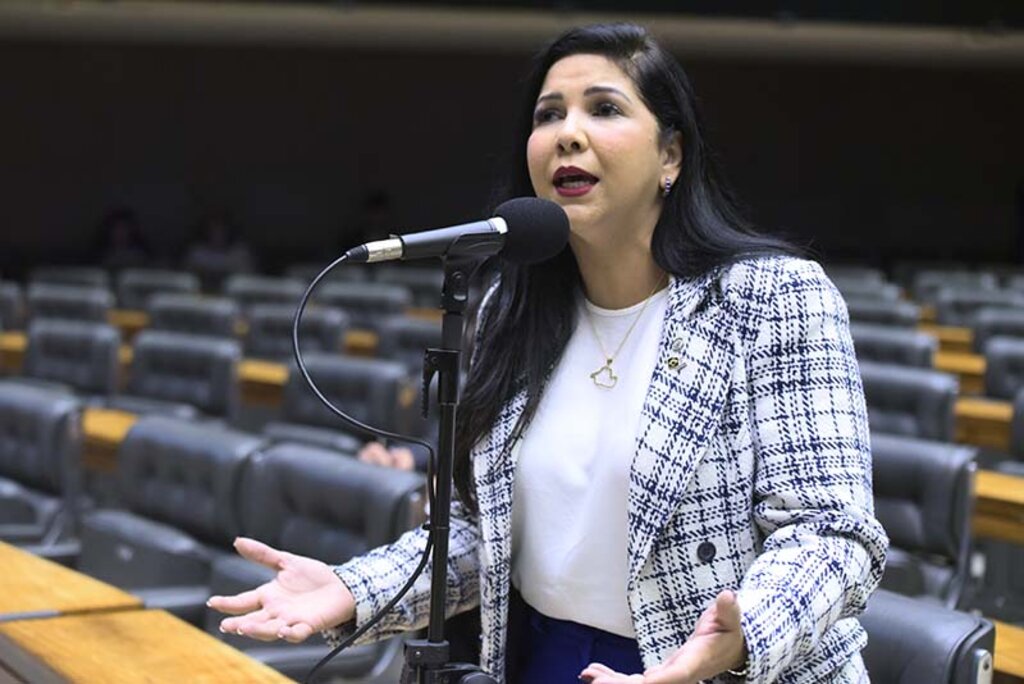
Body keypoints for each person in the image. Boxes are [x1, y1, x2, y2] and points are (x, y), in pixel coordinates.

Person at [209, 23, 887, 683]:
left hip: (722, 671)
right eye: (548, 114)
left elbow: (832, 532)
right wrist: (354, 590)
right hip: (545, 659)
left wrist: (740, 639)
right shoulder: (510, 306)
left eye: (604, 108)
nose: (568, 132)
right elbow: (484, 536)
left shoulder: (772, 298)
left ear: (670, 156)